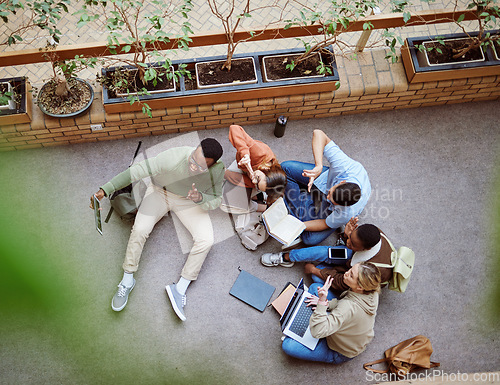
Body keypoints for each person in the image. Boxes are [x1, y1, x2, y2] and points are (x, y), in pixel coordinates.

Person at [90, 138, 225, 320]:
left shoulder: (218, 170)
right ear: (194, 151)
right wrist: (105, 190)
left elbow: (217, 199)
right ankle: (127, 279)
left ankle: (180, 289)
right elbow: (137, 170)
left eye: (200, 167)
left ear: (212, 165)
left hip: (188, 200)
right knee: (139, 229)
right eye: (193, 160)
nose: (193, 166)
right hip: (160, 192)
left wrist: (200, 197)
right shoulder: (173, 157)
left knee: (206, 240)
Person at [281, 129, 371, 246]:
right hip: (326, 177)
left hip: (332, 213)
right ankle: (304, 202)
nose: (327, 197)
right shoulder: (345, 167)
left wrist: (298, 225)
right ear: (341, 182)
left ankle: (304, 200)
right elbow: (318, 133)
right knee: (285, 168)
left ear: (343, 206)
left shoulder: (347, 213)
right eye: (330, 193)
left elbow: (325, 223)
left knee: (309, 239)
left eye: (331, 200)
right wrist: (318, 165)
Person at [260, 216, 393, 295]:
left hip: (353, 280)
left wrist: (315, 270)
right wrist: (347, 234)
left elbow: (343, 282)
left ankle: (322, 267)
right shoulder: (375, 234)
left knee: (315, 277)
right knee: (324, 252)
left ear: (366, 249)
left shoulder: (369, 272)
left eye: (352, 243)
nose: (348, 242)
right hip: (354, 263)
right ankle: (287, 257)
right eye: (350, 238)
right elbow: (351, 244)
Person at [281, 262, 381, 363]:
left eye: (351, 275)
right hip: (348, 331)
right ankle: (308, 324)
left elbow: (317, 331)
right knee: (315, 288)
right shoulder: (373, 291)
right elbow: (342, 304)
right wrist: (327, 303)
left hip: (339, 351)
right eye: (351, 269)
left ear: (360, 287)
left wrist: (321, 303)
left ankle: (305, 329)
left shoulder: (346, 307)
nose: (346, 273)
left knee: (288, 345)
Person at [224, 124, 287, 212]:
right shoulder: (259, 152)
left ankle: (261, 202)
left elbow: (247, 181)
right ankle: (259, 198)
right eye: (258, 179)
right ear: (266, 171)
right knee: (227, 202)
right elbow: (234, 128)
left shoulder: (261, 180)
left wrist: (224, 173)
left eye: (257, 185)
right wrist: (245, 153)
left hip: (246, 170)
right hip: (243, 162)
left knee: (227, 205)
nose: (254, 181)